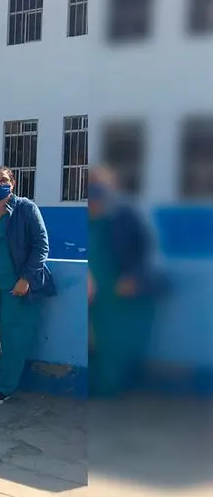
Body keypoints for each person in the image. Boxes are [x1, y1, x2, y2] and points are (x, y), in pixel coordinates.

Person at [0, 166, 56, 405]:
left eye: (3, 180)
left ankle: (4, 387)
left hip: (18, 288)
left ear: (13, 183)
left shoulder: (25, 209)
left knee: (13, 338)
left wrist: (26, 278)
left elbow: (41, 246)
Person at [87, 165, 160, 398]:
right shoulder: (89, 216)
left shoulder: (125, 213)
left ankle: (110, 387)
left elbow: (146, 249)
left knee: (114, 340)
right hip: (94, 289)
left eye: (99, 183)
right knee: (96, 339)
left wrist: (134, 278)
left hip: (120, 288)